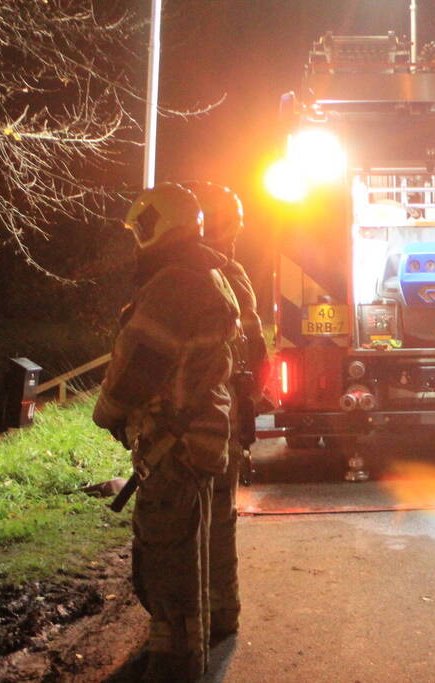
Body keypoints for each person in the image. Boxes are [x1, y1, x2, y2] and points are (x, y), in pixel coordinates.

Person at [93, 182, 239, 680]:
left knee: (168, 563)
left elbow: (138, 365)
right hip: (197, 438)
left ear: (159, 225)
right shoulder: (206, 275)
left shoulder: (173, 284)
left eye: (141, 227)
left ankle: (175, 668)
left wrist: (107, 413)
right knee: (192, 553)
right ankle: (187, 656)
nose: (137, 238)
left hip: (173, 448)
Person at [184, 182, 269, 643]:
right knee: (220, 516)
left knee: (187, 521)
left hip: (190, 422)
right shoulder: (232, 273)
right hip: (228, 420)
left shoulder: (188, 276)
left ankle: (189, 625)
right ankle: (222, 615)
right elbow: (256, 352)